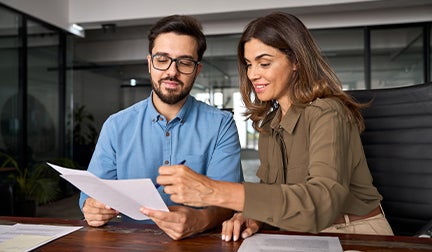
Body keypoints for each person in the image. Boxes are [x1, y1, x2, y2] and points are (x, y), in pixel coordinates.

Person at [154, 12, 394, 241]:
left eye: (264, 63)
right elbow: (276, 194)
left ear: (296, 61)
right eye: (249, 64)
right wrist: (254, 216)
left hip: (354, 231)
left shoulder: (328, 112)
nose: (253, 74)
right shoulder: (270, 125)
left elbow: (321, 203)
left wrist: (213, 191)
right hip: (299, 234)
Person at [79, 14, 243, 240]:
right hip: (130, 242)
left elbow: (228, 200)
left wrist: (200, 220)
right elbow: (91, 193)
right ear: (149, 63)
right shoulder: (116, 126)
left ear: (197, 70)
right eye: (162, 59)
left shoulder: (221, 125)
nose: (172, 72)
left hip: (199, 243)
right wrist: (91, 207)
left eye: (184, 62)